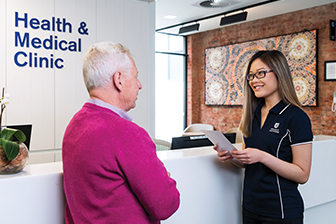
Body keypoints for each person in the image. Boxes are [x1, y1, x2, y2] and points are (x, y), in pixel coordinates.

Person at [62, 41, 180, 224]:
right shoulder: (127, 134)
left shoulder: (74, 125)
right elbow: (166, 204)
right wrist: (165, 179)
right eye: (135, 76)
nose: (139, 85)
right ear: (118, 80)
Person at [215, 50, 313, 224]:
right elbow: (248, 163)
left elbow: (302, 174)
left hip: (281, 211)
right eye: (251, 76)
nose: (254, 80)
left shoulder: (296, 117)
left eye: (260, 73)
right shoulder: (253, 114)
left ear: (279, 73)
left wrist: (262, 156)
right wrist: (233, 156)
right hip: (250, 206)